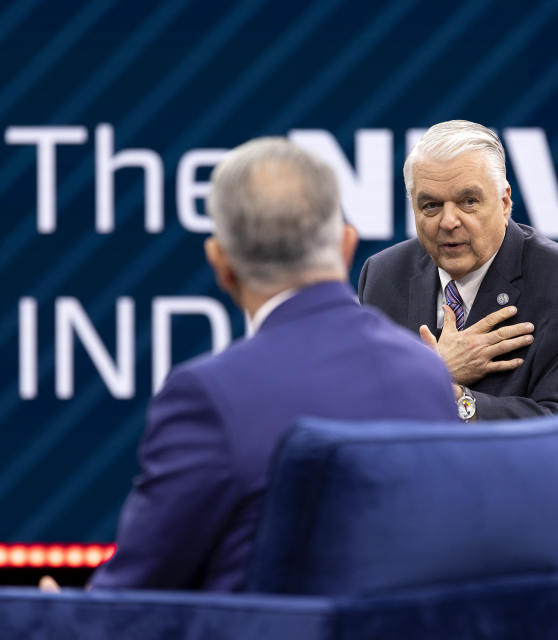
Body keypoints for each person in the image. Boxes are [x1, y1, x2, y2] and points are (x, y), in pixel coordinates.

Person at [88, 138, 458, 591]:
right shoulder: (426, 374)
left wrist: (51, 617)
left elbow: (125, 604)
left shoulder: (206, 397)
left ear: (221, 264)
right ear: (346, 246)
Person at [358, 120, 558, 421]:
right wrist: (436, 369)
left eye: (468, 202)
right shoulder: (383, 275)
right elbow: (354, 402)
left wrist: (461, 402)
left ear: (504, 203)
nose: (449, 221)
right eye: (431, 206)